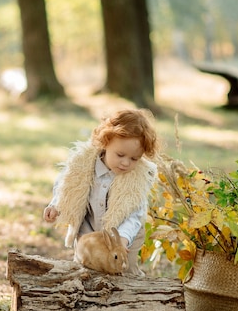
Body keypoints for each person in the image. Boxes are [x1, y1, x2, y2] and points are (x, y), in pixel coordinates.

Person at [43, 108, 159, 277]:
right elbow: (66, 187)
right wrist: (55, 205)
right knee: (86, 269)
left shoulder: (136, 181)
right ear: (105, 142)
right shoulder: (82, 165)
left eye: (134, 158)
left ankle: (131, 299)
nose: (126, 163)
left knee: (124, 271)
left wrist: (123, 239)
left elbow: (134, 216)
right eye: (120, 155)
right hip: (89, 233)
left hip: (124, 237)